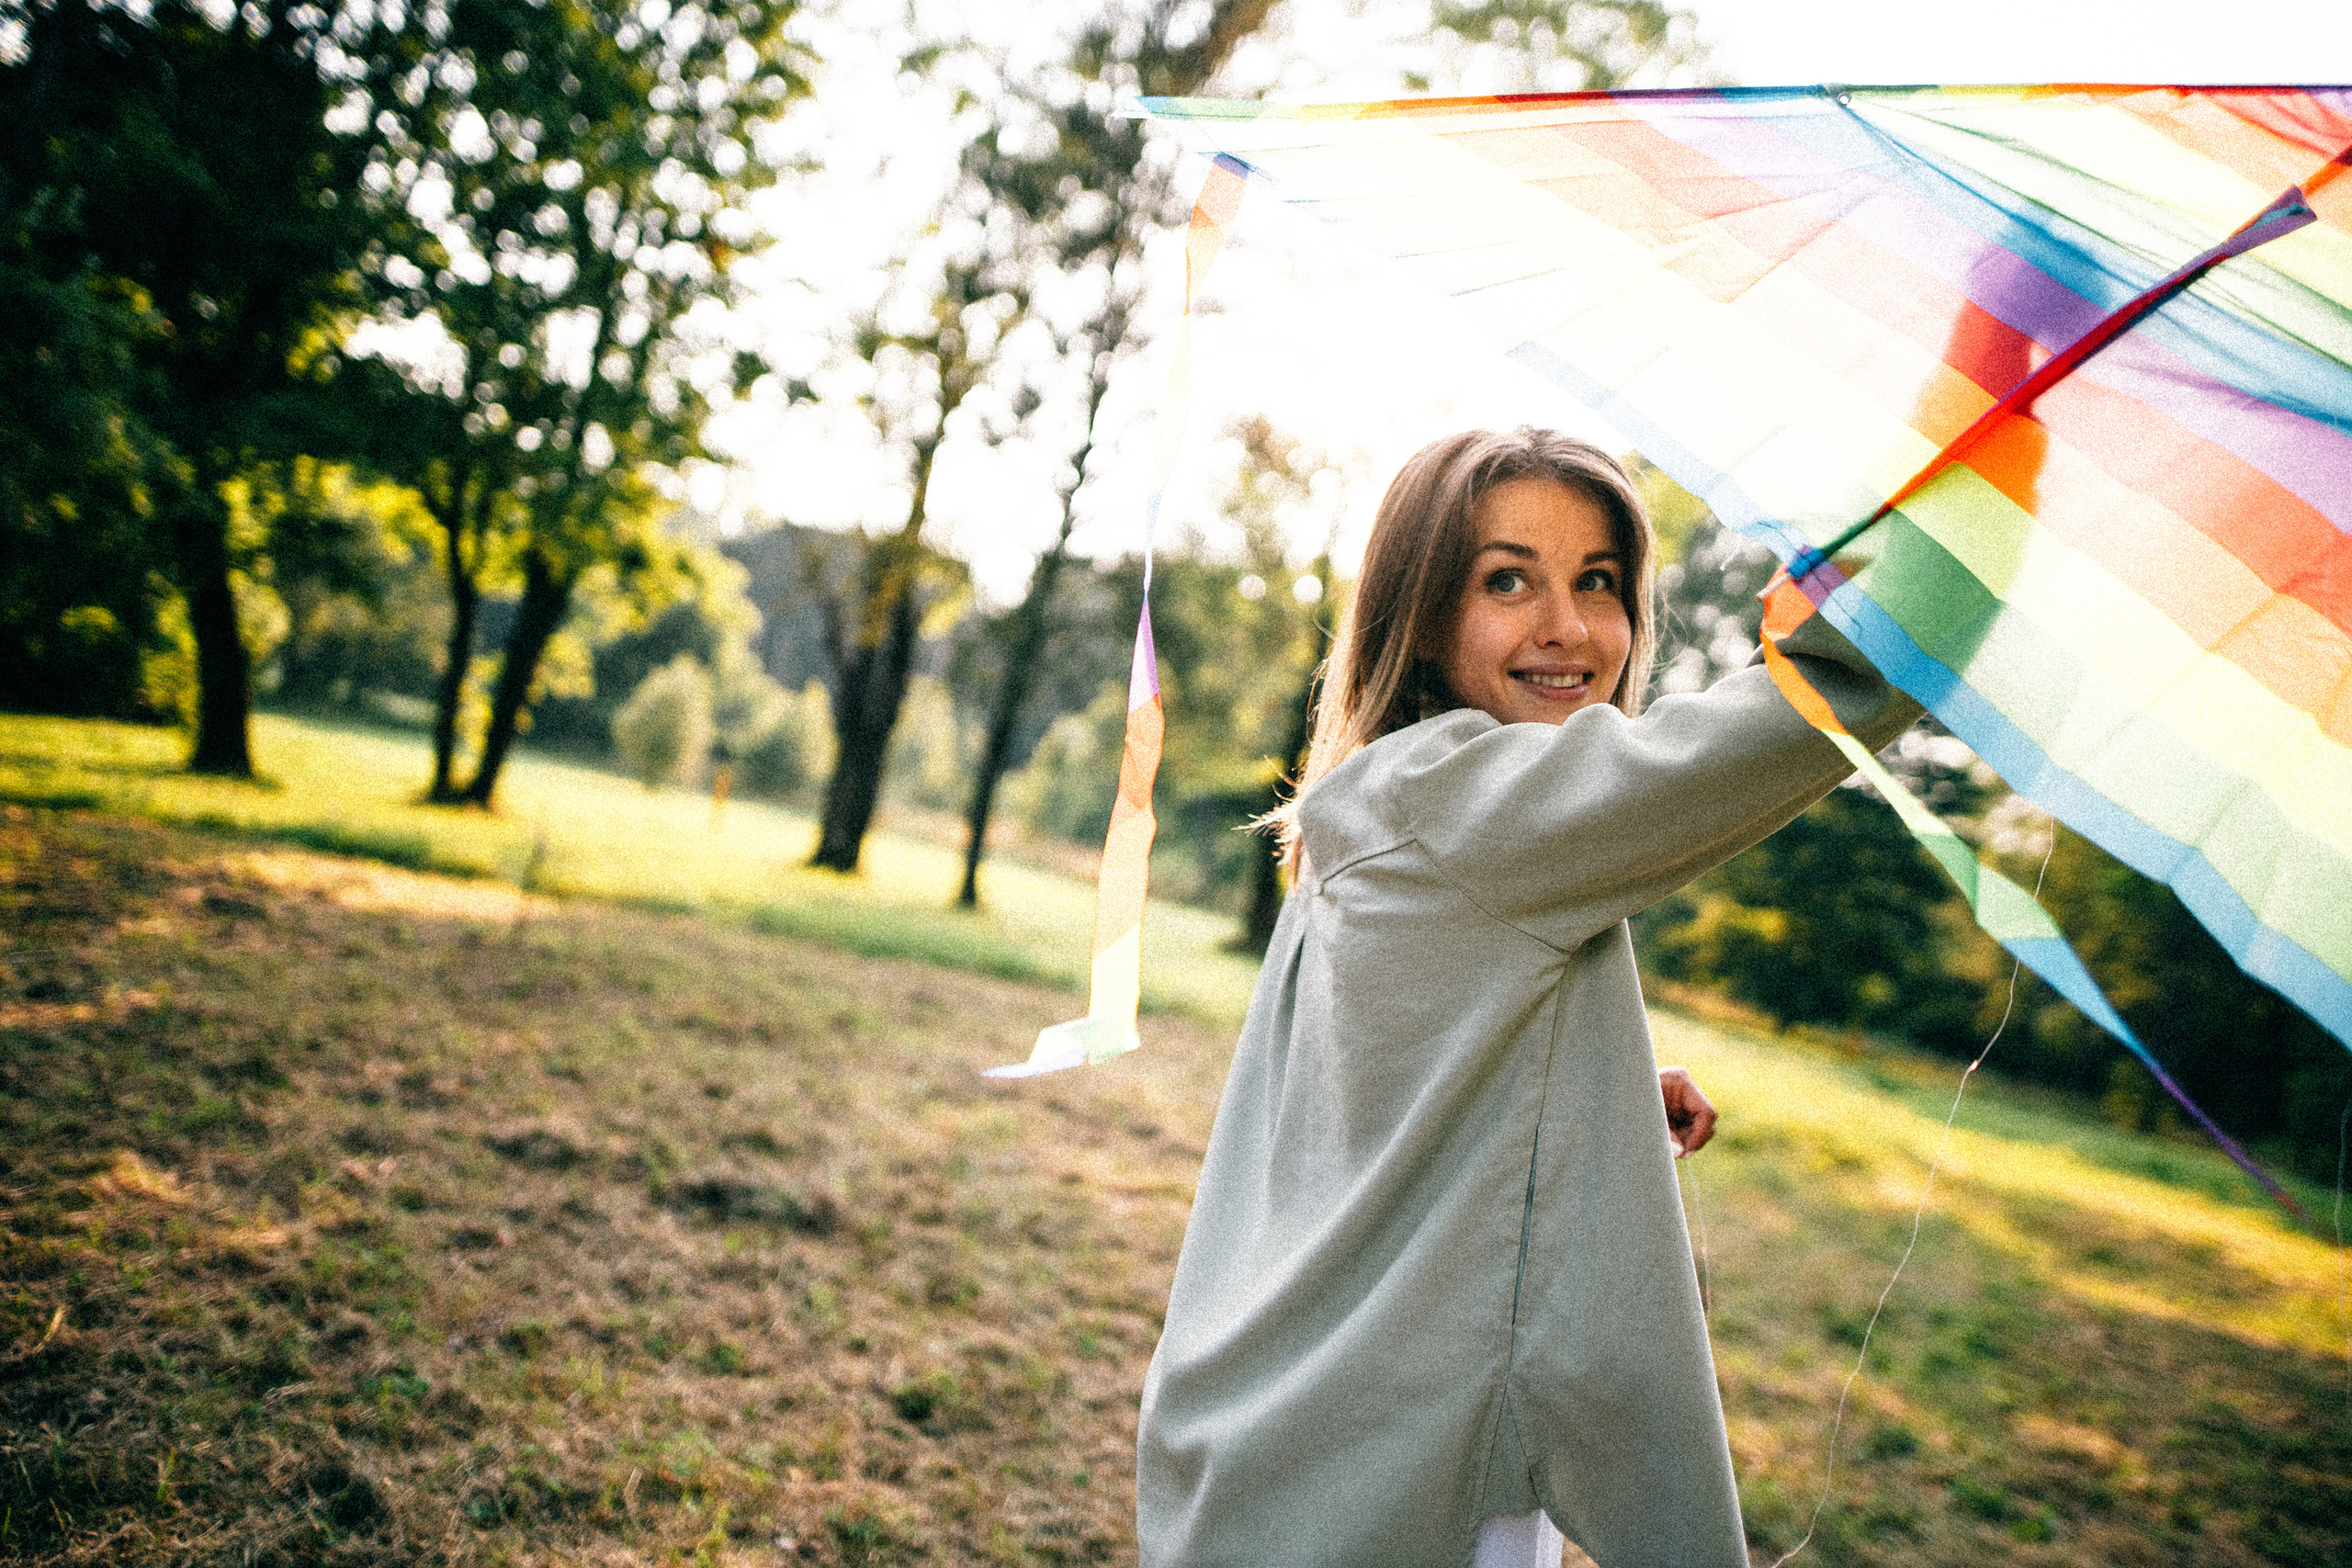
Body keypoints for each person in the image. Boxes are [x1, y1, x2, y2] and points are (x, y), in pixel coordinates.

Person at [1136, 428, 1920, 1567]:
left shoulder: (1385, 789)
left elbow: (1382, 1071)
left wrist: (1581, 1084)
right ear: (1420, 611)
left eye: (1597, 581)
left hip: (1299, 1420)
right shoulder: (1457, 802)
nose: (1567, 627)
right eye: (1507, 581)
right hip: (1389, 1450)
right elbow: (1796, 718)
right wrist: (1929, 563)